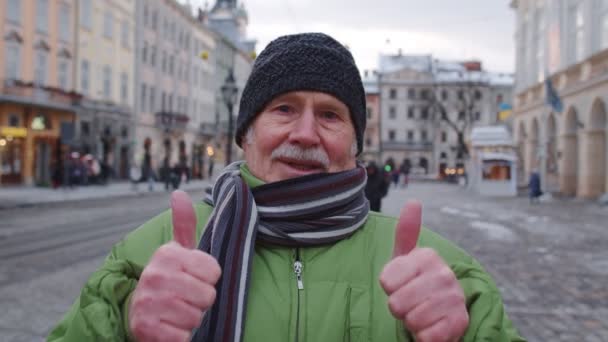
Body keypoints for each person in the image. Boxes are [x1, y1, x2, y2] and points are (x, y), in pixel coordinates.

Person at [48, 33, 524, 342]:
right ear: (245, 133)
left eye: (331, 115)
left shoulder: (436, 267)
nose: (305, 133)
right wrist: (128, 326)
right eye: (283, 109)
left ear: (356, 144)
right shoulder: (148, 253)